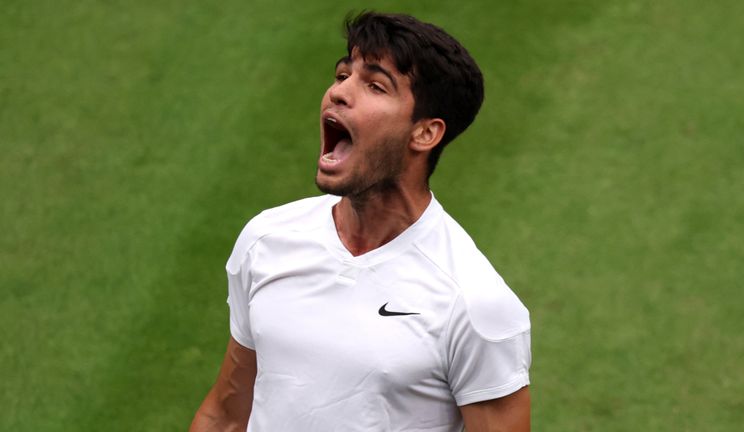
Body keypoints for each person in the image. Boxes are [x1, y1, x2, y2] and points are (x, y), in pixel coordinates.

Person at [190, 11, 531, 432]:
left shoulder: (476, 304)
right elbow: (226, 416)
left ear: (424, 133)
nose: (338, 93)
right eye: (341, 75)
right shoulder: (267, 240)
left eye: (374, 85)